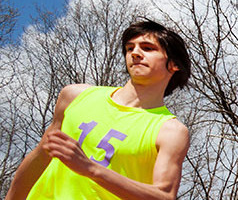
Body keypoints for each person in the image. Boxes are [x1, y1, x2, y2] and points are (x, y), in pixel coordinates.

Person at [6, 20, 192, 200]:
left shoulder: (170, 131)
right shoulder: (74, 96)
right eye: (130, 48)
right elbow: (40, 157)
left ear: (174, 64)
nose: (135, 53)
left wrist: (90, 168)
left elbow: (164, 195)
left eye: (147, 48)